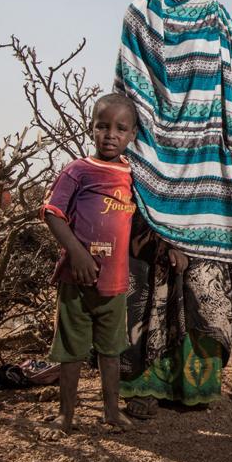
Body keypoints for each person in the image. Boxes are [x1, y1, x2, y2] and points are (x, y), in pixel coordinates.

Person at [114, 0, 232, 418]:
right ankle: (139, 387)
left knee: (203, 272)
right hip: (153, 154)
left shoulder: (219, 17)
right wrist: (145, 153)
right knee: (148, 268)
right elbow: (129, 89)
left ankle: (193, 386)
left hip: (206, 160)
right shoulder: (139, 14)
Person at [40, 93, 138, 438]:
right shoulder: (78, 170)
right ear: (91, 128)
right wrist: (77, 254)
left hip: (115, 283)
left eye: (120, 128)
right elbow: (53, 214)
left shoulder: (133, 176)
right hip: (76, 281)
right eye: (102, 126)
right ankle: (65, 416)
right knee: (71, 353)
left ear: (132, 135)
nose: (111, 134)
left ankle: (111, 412)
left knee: (111, 352)